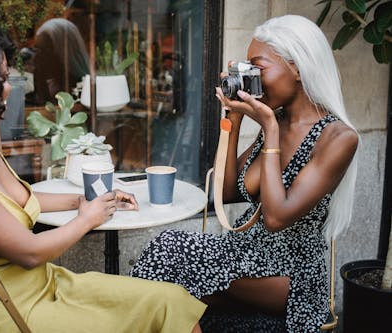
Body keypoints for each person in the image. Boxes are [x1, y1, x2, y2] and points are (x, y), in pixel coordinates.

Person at [0, 15, 206, 332]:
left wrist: (87, 199)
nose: (9, 89)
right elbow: (29, 253)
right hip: (13, 308)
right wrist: (88, 218)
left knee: (171, 302)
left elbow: (19, 199)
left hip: (45, 284)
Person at [130, 14, 359, 333]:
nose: (254, 80)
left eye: (259, 68)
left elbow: (277, 218)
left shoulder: (337, 138)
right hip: (244, 257)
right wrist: (234, 118)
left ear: (297, 67)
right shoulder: (276, 122)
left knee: (172, 249)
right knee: (167, 289)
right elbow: (224, 193)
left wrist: (267, 127)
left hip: (291, 275)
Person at [33, 18, 90, 104]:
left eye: (46, 49)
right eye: (37, 49)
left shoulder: (79, 85)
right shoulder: (41, 75)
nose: (39, 56)